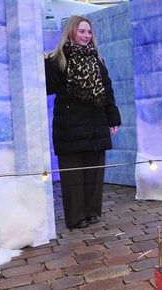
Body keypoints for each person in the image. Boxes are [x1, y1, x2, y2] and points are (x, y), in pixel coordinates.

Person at [45, 15, 121, 230]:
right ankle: (76, 217)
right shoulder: (58, 59)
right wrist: (44, 65)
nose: (86, 36)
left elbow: (107, 91)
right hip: (70, 124)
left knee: (94, 171)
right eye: (81, 31)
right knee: (73, 174)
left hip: (95, 122)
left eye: (89, 32)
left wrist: (113, 118)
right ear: (70, 32)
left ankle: (92, 212)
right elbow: (49, 88)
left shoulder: (97, 59)